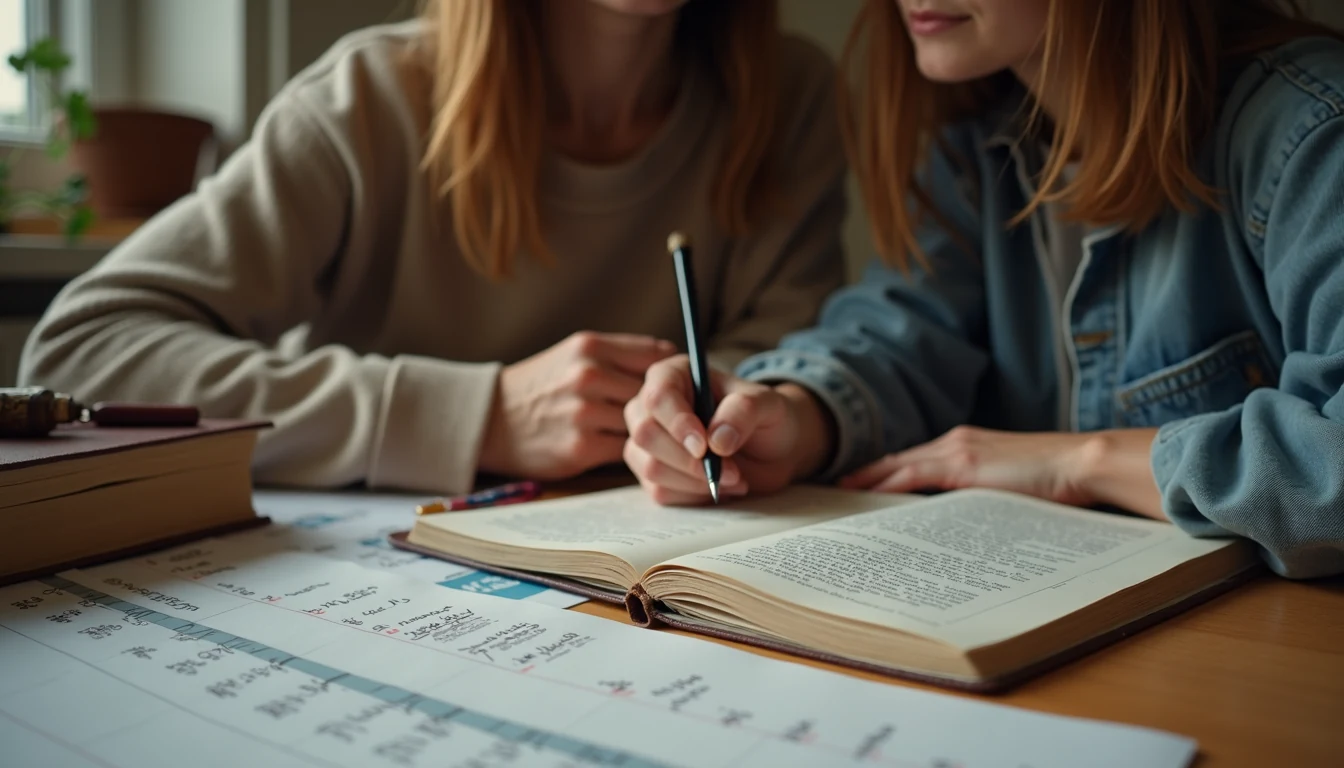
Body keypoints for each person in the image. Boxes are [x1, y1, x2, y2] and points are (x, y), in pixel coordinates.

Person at [623, 0, 1344, 579]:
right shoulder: (976, 144)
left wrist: (1076, 462)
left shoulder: (1313, 133)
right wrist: (784, 416)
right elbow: (900, 335)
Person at [18, 0, 848, 495]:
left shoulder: (791, 99)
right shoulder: (367, 100)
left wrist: (727, 413)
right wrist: (478, 417)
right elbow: (81, 349)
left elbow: (786, 358)